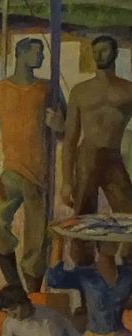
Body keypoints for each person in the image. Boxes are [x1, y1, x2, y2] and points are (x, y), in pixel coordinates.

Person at [0, 38, 65, 291]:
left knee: (37, 241)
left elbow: (68, 130)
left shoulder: (49, 88)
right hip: (12, 172)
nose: (42, 58)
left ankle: (34, 294)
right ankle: (13, 284)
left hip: (41, 175)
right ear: (21, 54)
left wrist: (60, 126)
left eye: (43, 53)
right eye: (37, 53)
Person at [63, 35, 132, 222]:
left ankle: (115, 252)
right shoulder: (80, 91)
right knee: (83, 217)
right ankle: (82, 252)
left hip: (113, 157)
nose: (98, 56)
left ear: (116, 53)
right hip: (87, 156)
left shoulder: (128, 90)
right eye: (95, 52)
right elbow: (70, 138)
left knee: (128, 215)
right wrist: (67, 181)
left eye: (104, 50)